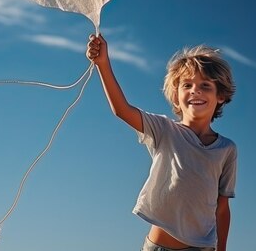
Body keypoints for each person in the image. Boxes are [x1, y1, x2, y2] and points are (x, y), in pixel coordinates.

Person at [86, 34, 238, 251]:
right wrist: (103, 64)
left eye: (205, 85)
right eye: (187, 85)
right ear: (176, 96)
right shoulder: (164, 129)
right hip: (158, 246)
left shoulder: (227, 149)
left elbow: (222, 208)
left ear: (220, 96)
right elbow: (122, 109)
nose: (195, 90)